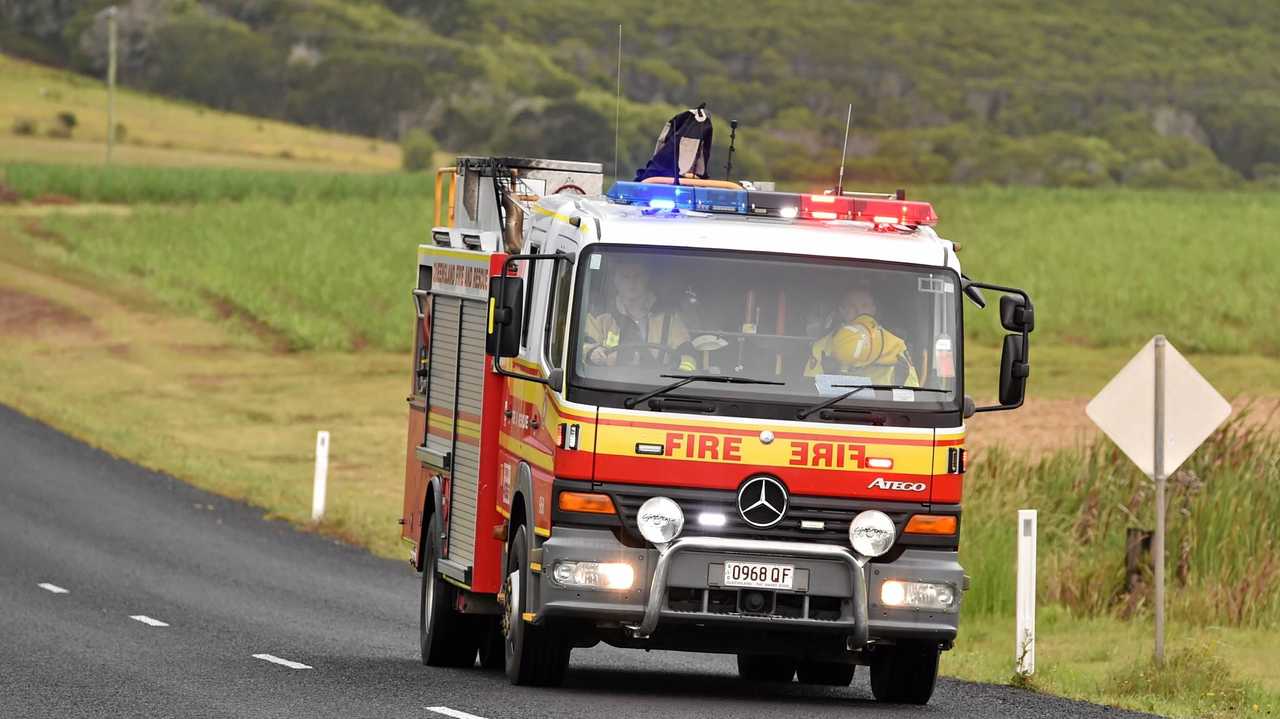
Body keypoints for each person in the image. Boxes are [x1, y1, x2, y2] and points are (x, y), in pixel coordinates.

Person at [582, 257, 698, 372]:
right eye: (625, 277)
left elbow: (687, 352)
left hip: (659, 386)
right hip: (605, 386)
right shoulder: (599, 316)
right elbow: (581, 347)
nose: (632, 282)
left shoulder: (668, 318)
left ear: (647, 278)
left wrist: (681, 375)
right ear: (615, 281)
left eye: (637, 276)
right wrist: (592, 353)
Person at [804, 285, 918, 386]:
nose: (859, 311)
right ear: (842, 311)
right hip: (834, 408)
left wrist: (900, 384)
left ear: (874, 309)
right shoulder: (822, 347)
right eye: (851, 306)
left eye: (865, 305)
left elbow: (913, 395)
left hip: (882, 409)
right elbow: (809, 390)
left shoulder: (896, 345)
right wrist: (829, 376)